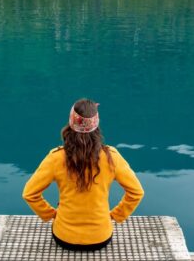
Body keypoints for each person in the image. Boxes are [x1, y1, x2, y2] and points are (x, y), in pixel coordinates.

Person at [22, 98, 145, 251]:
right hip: (101, 237)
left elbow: (29, 194)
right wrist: (115, 215)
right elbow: (136, 192)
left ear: (70, 123)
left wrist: (51, 214)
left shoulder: (55, 158)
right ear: (97, 124)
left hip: (64, 237)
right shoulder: (112, 157)